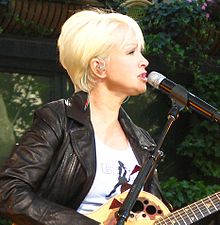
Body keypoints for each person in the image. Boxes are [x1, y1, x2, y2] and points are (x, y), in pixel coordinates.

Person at [0, 8, 170, 225]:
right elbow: (9, 191)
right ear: (99, 67)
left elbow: (160, 215)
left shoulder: (143, 143)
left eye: (141, 52)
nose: (144, 61)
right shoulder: (58, 119)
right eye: (131, 52)